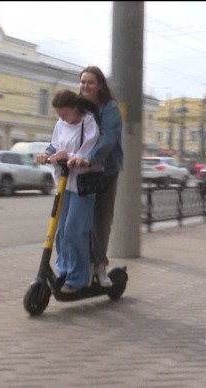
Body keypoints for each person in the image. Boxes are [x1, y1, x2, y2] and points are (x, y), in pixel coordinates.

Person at [36, 89, 101, 293]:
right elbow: (54, 146)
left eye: (65, 114)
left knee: (75, 231)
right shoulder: (60, 124)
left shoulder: (88, 122)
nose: (62, 118)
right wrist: (47, 155)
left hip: (83, 184)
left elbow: (88, 152)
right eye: (59, 115)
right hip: (63, 182)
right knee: (61, 230)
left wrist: (71, 155)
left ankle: (78, 278)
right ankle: (63, 269)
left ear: (75, 108)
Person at [66, 66, 123, 288]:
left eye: (90, 82)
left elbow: (109, 137)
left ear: (99, 85)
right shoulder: (78, 107)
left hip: (105, 170)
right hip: (79, 172)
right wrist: (52, 152)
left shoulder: (109, 108)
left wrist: (91, 158)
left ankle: (99, 266)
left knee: (100, 220)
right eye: (82, 82)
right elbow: (64, 128)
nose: (85, 86)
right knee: (79, 222)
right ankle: (81, 266)